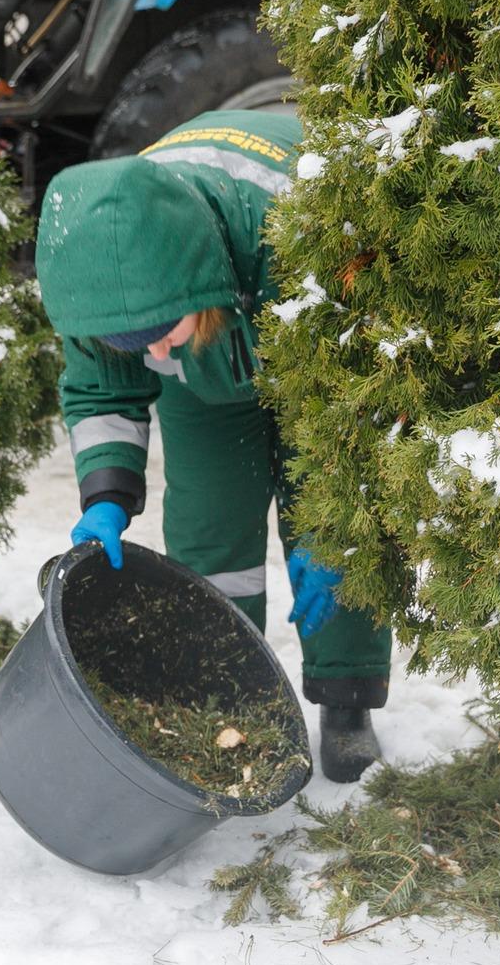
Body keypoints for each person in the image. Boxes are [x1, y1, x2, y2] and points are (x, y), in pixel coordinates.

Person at [35, 110, 392, 783]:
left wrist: (342, 517)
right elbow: (102, 392)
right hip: (207, 379)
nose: (155, 350)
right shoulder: (100, 270)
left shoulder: (298, 230)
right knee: (207, 523)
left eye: (163, 330)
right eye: (132, 344)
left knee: (332, 537)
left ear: (194, 281)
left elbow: (353, 390)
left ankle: (348, 702)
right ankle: (235, 697)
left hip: (317, 363)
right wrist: (106, 495)